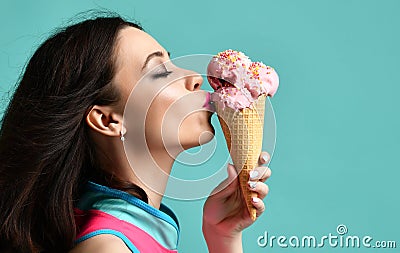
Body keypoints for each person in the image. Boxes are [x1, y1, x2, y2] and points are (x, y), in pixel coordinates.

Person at [0, 15, 272, 253]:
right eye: (160, 71)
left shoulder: (128, 234)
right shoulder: (108, 247)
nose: (194, 77)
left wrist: (222, 237)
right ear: (107, 120)